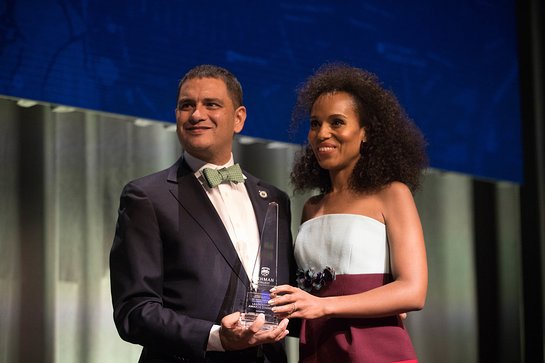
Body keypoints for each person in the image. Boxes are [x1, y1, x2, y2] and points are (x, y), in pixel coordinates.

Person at [109, 64, 297, 363]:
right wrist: (215, 338)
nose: (197, 115)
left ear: (239, 118)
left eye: (211, 104)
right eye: (187, 105)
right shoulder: (147, 197)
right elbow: (134, 312)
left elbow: (283, 297)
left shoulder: (274, 199)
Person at [269, 63, 428, 363]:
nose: (322, 133)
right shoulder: (311, 208)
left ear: (366, 132)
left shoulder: (392, 194)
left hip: (377, 351)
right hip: (317, 349)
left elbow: (413, 291)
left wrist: (325, 306)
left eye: (337, 122)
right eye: (315, 123)